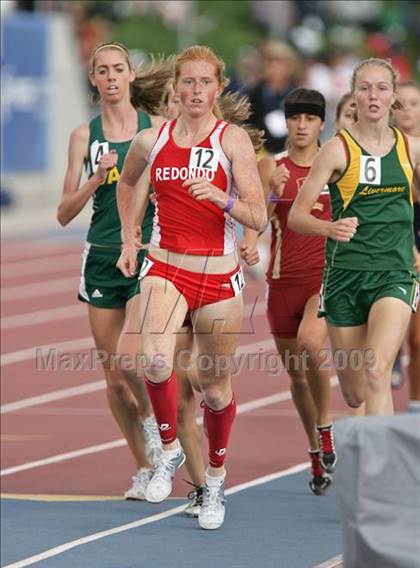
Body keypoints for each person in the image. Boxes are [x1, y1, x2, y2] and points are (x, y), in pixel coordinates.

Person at [116, 45, 266, 530]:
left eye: (205, 83)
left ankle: (217, 480)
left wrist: (223, 199)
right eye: (188, 82)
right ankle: (169, 450)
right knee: (154, 359)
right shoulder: (151, 140)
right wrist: (129, 233)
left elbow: (258, 215)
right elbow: (127, 184)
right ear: (174, 88)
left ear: (218, 88)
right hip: (165, 266)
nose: (196, 91)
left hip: (219, 275)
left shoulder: (233, 141)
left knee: (216, 390)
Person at [57, 42, 173, 499]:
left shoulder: (158, 129)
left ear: (130, 75)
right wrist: (96, 176)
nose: (110, 77)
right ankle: (145, 465)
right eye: (102, 70)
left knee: (133, 360)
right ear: (93, 79)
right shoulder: (83, 136)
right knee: (114, 377)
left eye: (118, 69)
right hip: (101, 256)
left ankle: (158, 427)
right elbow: (64, 213)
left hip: (147, 253)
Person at [288, 58, 420, 416]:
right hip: (345, 276)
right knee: (354, 393)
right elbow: (297, 216)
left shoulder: (411, 149)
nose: (373, 95)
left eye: (381, 88)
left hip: (395, 274)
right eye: (364, 88)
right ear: (354, 95)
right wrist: (329, 228)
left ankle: (383, 471)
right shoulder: (336, 150)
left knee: (377, 372)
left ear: (393, 96)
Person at [242, 88, 336, 495]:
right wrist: (271, 193)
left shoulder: (335, 165)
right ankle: (314, 450)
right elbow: (256, 221)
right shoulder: (271, 165)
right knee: (296, 378)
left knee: (311, 344)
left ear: (320, 124)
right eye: (295, 118)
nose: (301, 126)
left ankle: (327, 426)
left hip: (324, 279)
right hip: (281, 284)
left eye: (309, 119)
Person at [393, 81, 420, 412]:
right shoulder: (383, 148)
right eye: (401, 104)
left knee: (418, 338)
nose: (408, 110)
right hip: (394, 242)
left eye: (414, 103)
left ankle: (415, 409)